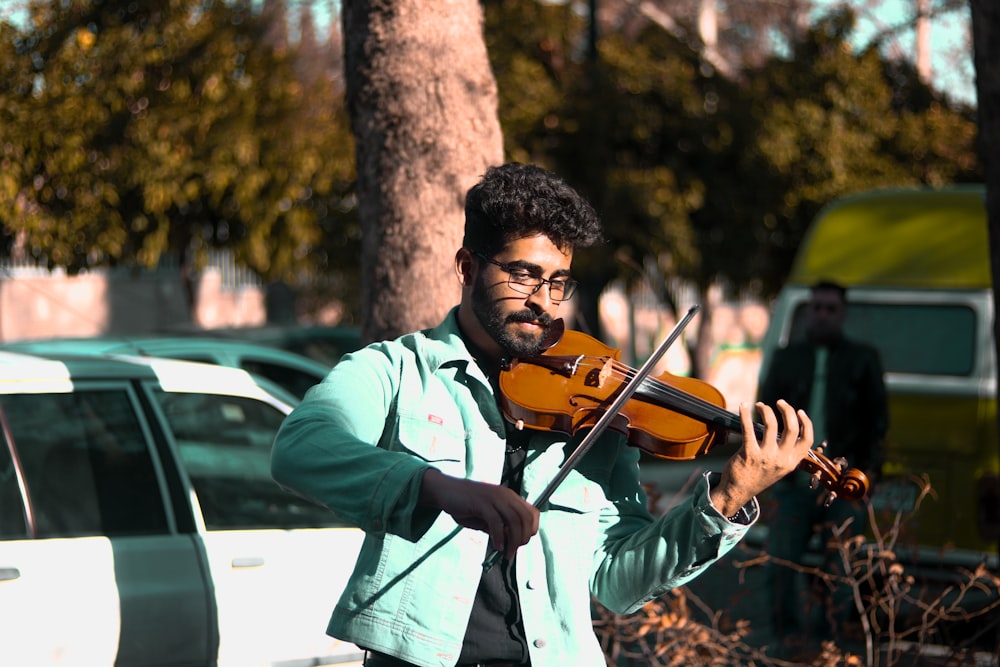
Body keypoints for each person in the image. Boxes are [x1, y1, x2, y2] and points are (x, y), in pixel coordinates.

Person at [271, 162, 817, 667]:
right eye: (523, 275)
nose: (544, 301)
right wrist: (439, 488)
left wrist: (726, 498)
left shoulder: (597, 414)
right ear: (467, 267)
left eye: (557, 281)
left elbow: (616, 582)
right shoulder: (398, 371)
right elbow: (300, 446)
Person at [758, 279, 888, 646]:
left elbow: (878, 423)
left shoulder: (863, 358)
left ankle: (831, 642)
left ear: (841, 313)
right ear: (808, 312)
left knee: (843, 567)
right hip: (792, 482)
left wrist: (869, 475)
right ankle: (788, 641)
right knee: (780, 563)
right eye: (817, 308)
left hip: (844, 483)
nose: (823, 315)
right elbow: (765, 414)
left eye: (831, 309)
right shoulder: (787, 357)